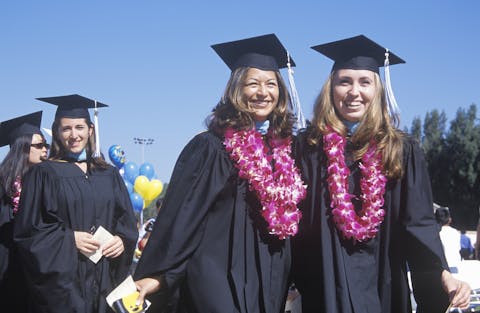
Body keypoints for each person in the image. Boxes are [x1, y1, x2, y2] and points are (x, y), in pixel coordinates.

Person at [292, 35, 471, 313]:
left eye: (365, 82)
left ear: (378, 90)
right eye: (344, 82)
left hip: (383, 278)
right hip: (324, 281)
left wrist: (441, 272)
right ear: (331, 89)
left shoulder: (400, 149)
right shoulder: (309, 148)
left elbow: (418, 223)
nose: (354, 92)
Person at [133, 33, 306, 313]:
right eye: (253, 83)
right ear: (237, 89)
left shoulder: (286, 152)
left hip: (269, 274)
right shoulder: (210, 147)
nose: (263, 92)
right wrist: (160, 274)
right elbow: (183, 216)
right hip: (217, 273)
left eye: (271, 84)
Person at [13, 94, 138, 313]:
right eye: (66, 128)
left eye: (79, 127)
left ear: (90, 130)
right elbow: (27, 232)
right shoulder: (43, 174)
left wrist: (122, 240)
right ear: (57, 132)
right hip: (65, 286)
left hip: (106, 279)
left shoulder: (108, 174)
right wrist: (68, 239)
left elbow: (125, 220)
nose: (74, 135)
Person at [0, 111, 48, 312]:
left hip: (36, 266)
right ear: (22, 147)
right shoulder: (3, 186)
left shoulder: (46, 182)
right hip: (7, 266)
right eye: (39, 145)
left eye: (46, 144)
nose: (45, 149)